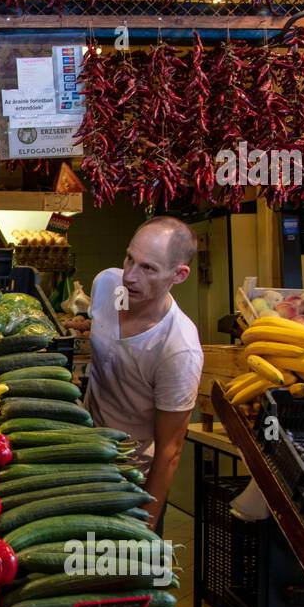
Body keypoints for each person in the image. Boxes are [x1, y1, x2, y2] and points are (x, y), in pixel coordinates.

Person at [85, 217, 203, 532]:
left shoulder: (178, 349)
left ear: (179, 275)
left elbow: (170, 449)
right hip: (82, 455)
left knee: (120, 574)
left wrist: (144, 526)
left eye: (148, 268)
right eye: (129, 259)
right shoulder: (107, 285)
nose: (131, 276)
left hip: (129, 476)